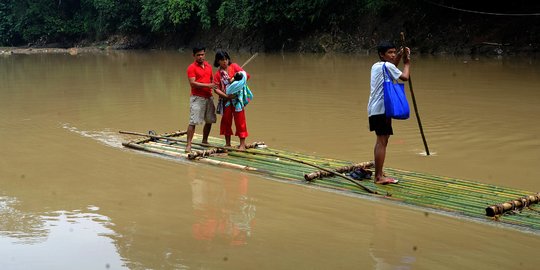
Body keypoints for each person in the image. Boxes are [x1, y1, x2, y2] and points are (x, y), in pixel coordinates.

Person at [367, 41, 410, 184]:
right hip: (382, 109)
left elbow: (392, 68)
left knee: (382, 141)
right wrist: (407, 63)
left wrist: (399, 55)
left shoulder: (377, 66)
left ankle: (379, 172)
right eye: (389, 53)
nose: (392, 55)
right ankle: (378, 177)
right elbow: (404, 77)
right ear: (381, 54)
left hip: (375, 109)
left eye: (394, 52)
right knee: (382, 142)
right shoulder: (387, 66)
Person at [213, 50, 251, 150]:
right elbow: (216, 89)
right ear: (218, 61)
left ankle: (242, 144)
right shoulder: (218, 74)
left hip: (237, 99)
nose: (225, 61)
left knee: (240, 121)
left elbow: (246, 76)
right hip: (226, 100)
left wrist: (235, 78)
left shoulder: (234, 67)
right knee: (226, 121)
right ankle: (227, 143)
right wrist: (226, 96)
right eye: (222, 60)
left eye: (226, 59)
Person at [185, 46, 217, 153]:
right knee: (193, 121)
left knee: (209, 120)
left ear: (205, 54)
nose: (200, 57)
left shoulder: (208, 66)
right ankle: (189, 145)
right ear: (194, 56)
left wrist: (218, 85)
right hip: (197, 98)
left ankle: (204, 140)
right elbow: (193, 83)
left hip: (208, 96)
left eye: (202, 54)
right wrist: (209, 85)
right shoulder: (191, 68)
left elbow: (213, 80)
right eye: (198, 55)